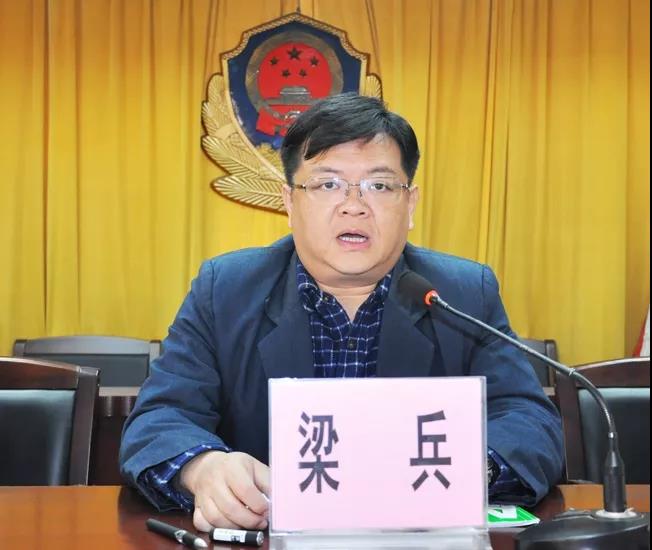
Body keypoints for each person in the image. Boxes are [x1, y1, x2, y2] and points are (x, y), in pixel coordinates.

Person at [120, 93, 564, 532]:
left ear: (410, 204)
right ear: (289, 202)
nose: (354, 205)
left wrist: (470, 471)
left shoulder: (462, 294)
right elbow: (160, 418)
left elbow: (530, 421)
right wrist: (203, 469)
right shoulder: (226, 290)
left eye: (379, 186)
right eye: (327, 185)